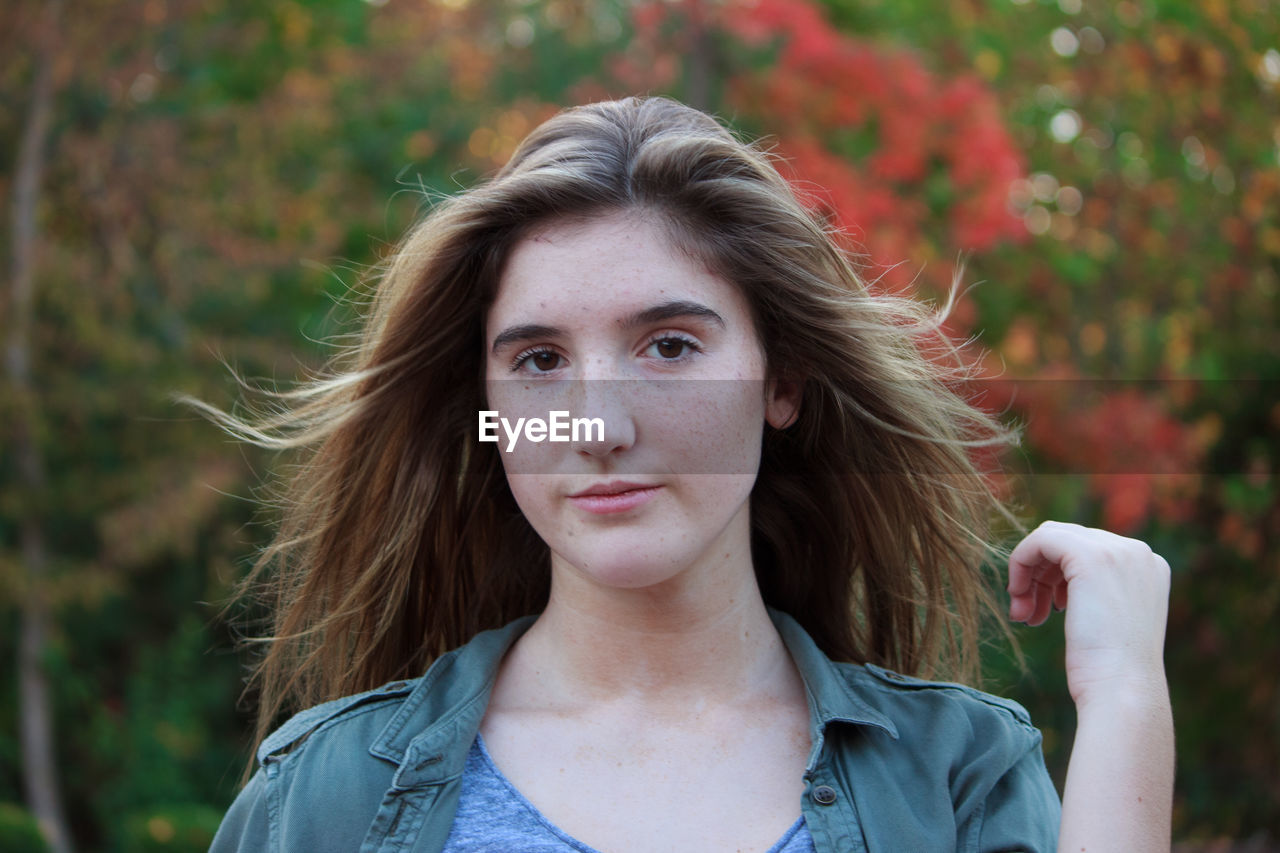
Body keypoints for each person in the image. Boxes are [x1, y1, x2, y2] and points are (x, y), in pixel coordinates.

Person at [204, 96, 1173, 852]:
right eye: (538, 361)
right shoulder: (322, 791)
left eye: (668, 346)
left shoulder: (954, 772)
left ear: (781, 381)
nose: (601, 425)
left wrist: (1124, 692)